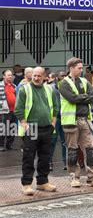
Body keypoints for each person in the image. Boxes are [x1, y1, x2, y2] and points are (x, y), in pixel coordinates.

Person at [59, 57, 93, 188]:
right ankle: (74, 177)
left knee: (90, 149)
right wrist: (85, 98)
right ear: (71, 68)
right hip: (71, 121)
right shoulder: (64, 83)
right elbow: (72, 98)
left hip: (85, 119)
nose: (81, 70)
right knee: (72, 150)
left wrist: (80, 98)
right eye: (79, 68)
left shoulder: (84, 81)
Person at [15, 67, 59, 196]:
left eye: (39, 76)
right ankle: (27, 184)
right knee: (28, 157)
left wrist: (53, 123)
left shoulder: (48, 89)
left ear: (44, 76)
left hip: (47, 127)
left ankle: (42, 182)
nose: (36, 78)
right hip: (31, 128)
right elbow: (19, 109)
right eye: (34, 75)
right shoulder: (25, 89)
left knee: (45, 157)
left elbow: (56, 107)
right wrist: (24, 124)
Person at [49, 71, 67, 171]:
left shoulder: (68, 86)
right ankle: (50, 162)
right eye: (62, 76)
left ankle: (65, 163)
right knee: (52, 141)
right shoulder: (51, 87)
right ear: (57, 77)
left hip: (65, 119)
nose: (64, 77)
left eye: (65, 75)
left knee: (65, 142)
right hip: (55, 119)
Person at [0, 69, 18, 151]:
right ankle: (1, 145)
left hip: (14, 110)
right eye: (8, 75)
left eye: (11, 75)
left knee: (13, 128)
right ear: (4, 76)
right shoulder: (0, 86)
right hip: (4, 111)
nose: (10, 77)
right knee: (3, 128)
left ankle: (9, 145)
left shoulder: (14, 86)